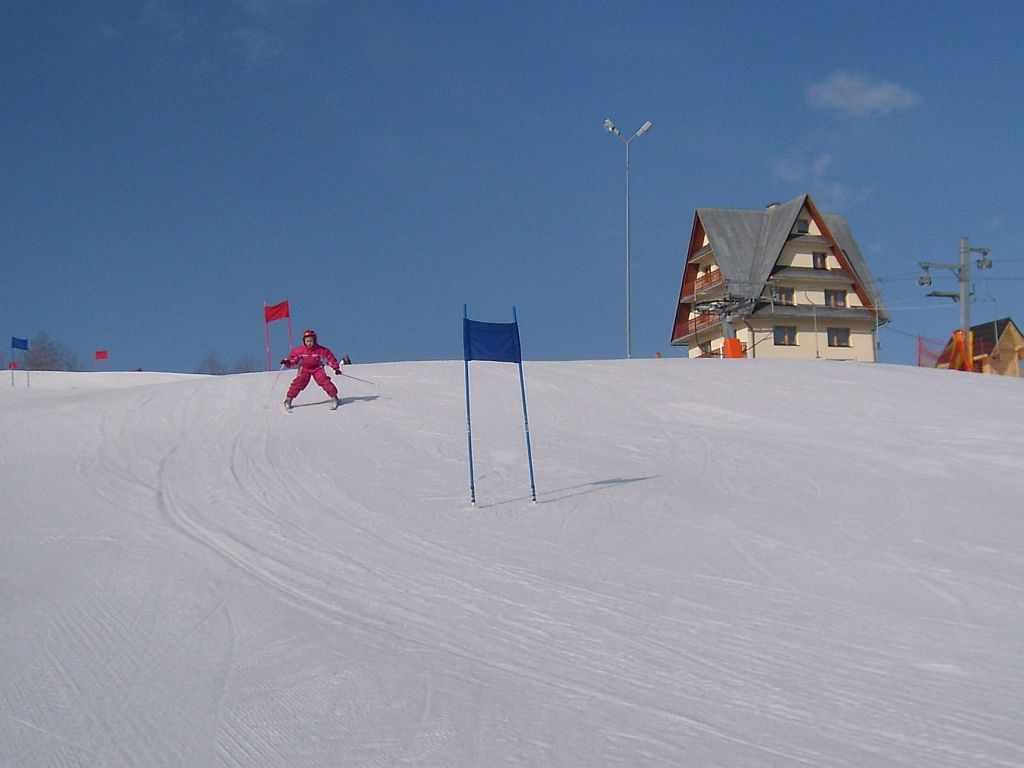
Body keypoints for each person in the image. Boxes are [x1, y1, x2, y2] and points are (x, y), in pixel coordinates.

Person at [280, 329, 343, 410]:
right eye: (307, 341)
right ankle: (289, 399)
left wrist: (336, 368)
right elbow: (293, 361)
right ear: (304, 341)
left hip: (317, 368)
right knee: (299, 382)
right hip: (305, 368)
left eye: (311, 341)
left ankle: (334, 397)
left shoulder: (320, 350)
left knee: (324, 381)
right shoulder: (299, 351)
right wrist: (287, 362)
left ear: (315, 340)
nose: (309, 343)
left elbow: (329, 358)